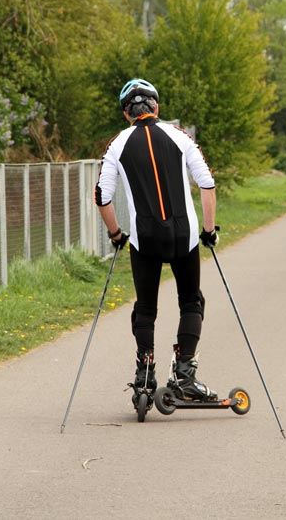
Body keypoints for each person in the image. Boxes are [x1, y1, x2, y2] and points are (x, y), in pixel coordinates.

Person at [94, 78, 219, 406]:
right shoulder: (180, 136)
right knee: (191, 301)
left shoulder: (117, 144)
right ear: (156, 107)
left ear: (126, 113)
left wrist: (116, 234)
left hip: (145, 239)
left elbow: (102, 196)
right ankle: (183, 375)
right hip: (185, 236)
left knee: (146, 308)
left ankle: (144, 373)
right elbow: (207, 184)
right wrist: (208, 231)